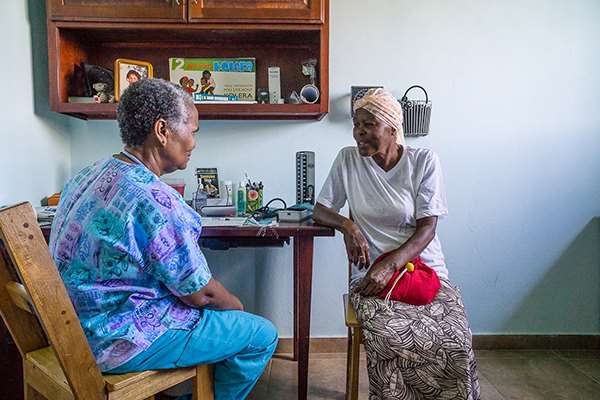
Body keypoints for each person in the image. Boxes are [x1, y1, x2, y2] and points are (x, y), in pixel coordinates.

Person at [49, 78, 277, 400]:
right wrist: (237, 309)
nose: (194, 142)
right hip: (116, 340)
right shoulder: (154, 199)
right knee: (260, 335)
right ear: (162, 130)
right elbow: (202, 295)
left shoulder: (87, 175)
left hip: (74, 329)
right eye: (193, 130)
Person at [313, 88, 480, 399]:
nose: (359, 133)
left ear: (392, 128)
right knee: (390, 337)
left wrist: (392, 264)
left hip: (424, 272)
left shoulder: (424, 161)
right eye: (356, 124)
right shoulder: (348, 160)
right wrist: (348, 226)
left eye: (369, 124)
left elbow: (428, 227)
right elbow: (321, 210)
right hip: (371, 277)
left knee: (454, 338)